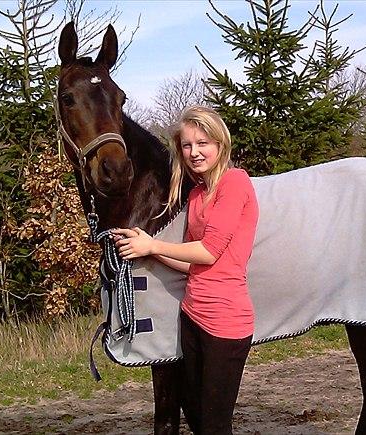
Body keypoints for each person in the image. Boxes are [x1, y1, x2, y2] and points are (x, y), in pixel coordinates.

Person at [112, 106, 259, 435]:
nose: (194, 152)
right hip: (192, 316)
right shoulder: (197, 194)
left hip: (225, 325)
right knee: (193, 413)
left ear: (220, 144)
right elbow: (192, 260)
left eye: (202, 143)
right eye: (187, 145)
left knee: (215, 425)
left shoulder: (235, 183)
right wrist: (146, 246)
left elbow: (208, 251)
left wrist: (154, 247)